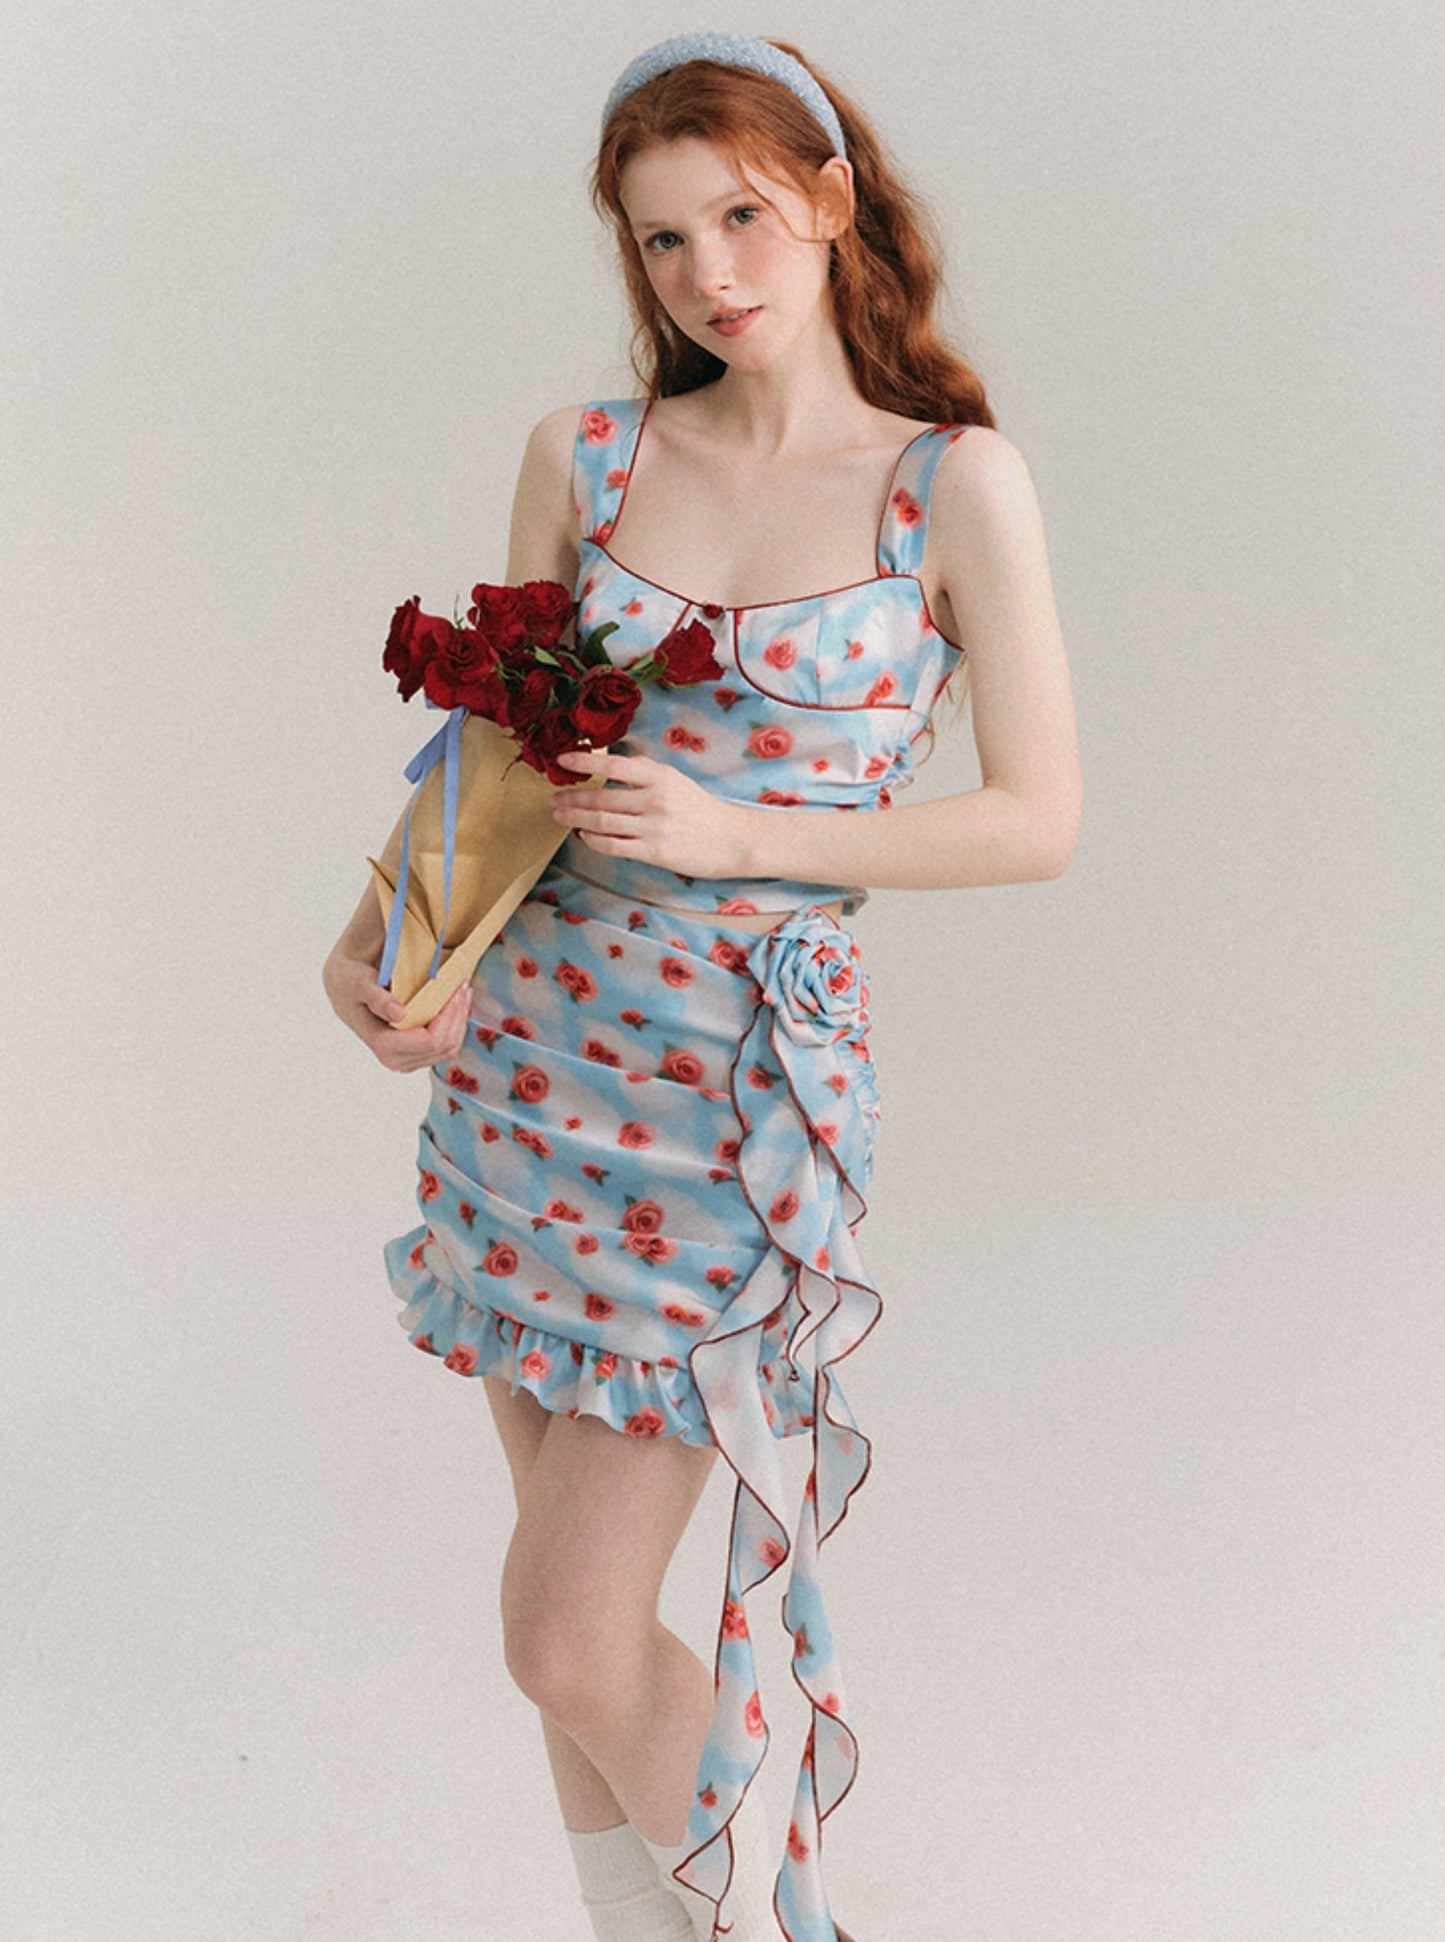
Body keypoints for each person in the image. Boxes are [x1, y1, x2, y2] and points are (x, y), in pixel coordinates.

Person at [323, 31, 1081, 1942]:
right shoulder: (587, 458)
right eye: (662, 241)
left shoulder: (947, 486)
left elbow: (1036, 817)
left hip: (727, 1101)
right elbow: (500, 750)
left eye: (739, 218)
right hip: (526, 1065)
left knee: (564, 1636)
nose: (707, 275)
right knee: (563, 1635)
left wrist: (739, 829)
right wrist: (384, 941)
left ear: (828, 200)